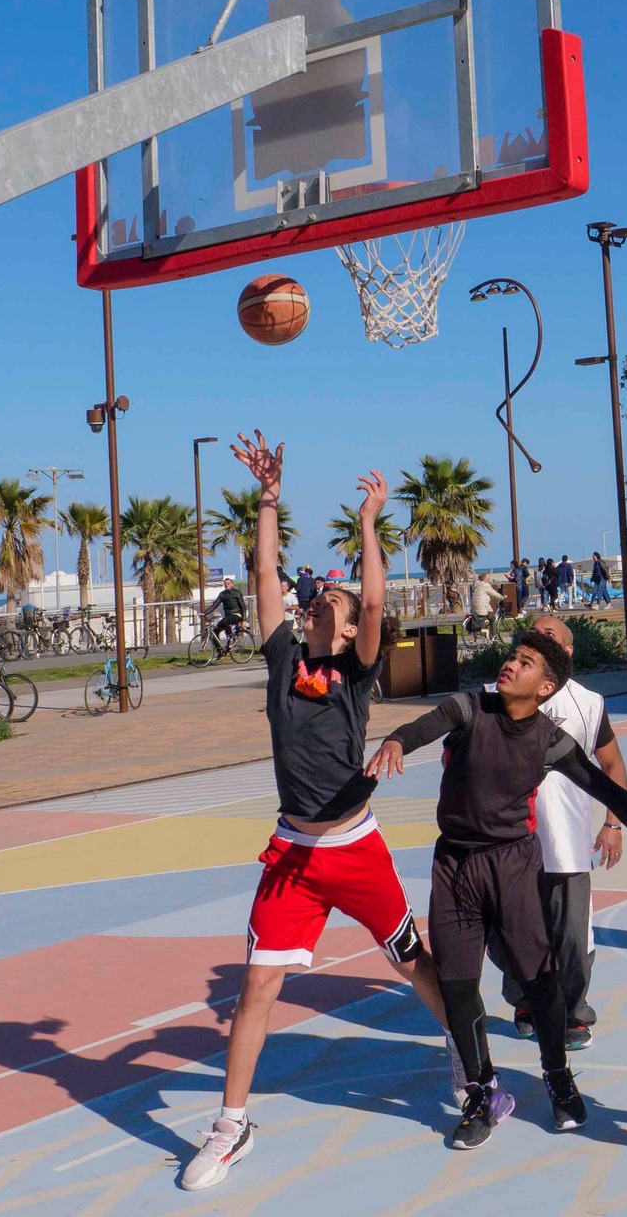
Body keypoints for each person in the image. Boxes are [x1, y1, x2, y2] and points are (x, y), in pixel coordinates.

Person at [182, 435, 457, 1192]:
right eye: (319, 599)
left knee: (411, 960)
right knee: (257, 988)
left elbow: (373, 599)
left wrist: (370, 520)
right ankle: (232, 1123)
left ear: (345, 630)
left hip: (357, 846)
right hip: (293, 857)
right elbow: (265, 570)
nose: (321, 601)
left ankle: (464, 1054)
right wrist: (270, 496)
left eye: (331, 603)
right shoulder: (281, 657)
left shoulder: (354, 672)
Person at [367, 628, 627, 1147]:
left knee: (540, 979)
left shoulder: (549, 739)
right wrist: (397, 740)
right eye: (513, 655)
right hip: (454, 866)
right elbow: (423, 726)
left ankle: (558, 1079)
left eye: (527, 661)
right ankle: (482, 1092)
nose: (512, 664)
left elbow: (605, 784)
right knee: (457, 984)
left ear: (546, 687)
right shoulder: (470, 708)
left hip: (512, 864)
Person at [483, 613, 626, 1052]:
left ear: (566, 652)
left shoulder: (588, 704)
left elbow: (613, 765)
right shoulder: (496, 695)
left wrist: (613, 823)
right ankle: (525, 1000)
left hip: (566, 843)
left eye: (551, 635)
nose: (539, 637)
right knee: (506, 933)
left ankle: (573, 1012)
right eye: (534, 632)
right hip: (507, 841)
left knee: (571, 936)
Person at [212, 582, 247, 652]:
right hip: (228, 617)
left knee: (225, 620)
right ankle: (219, 651)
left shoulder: (237, 593)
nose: (226, 585)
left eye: (228, 583)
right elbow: (214, 605)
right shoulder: (222, 594)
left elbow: (243, 606)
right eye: (225, 584)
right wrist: (204, 613)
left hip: (237, 615)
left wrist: (244, 620)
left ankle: (231, 637)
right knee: (215, 631)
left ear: (232, 584)